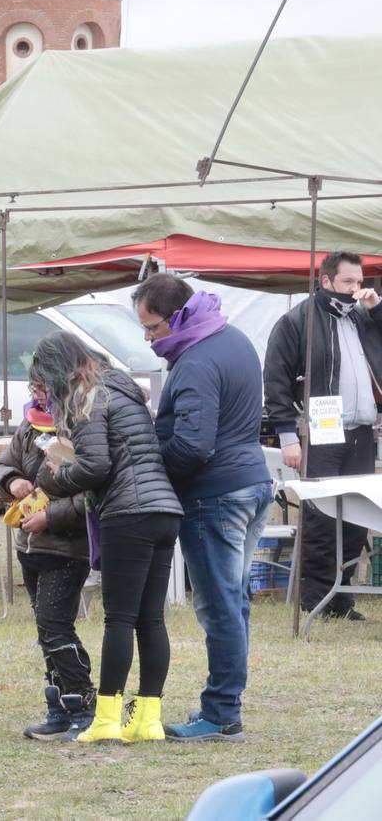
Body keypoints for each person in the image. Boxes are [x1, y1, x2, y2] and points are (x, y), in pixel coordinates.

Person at [134, 274, 271, 743]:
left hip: (215, 495)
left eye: (151, 329)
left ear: (175, 318)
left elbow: (193, 446)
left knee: (219, 606)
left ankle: (221, 712)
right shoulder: (234, 340)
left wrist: (151, 474)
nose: (149, 339)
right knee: (234, 602)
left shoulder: (194, 362)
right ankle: (227, 704)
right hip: (251, 483)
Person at [31, 331, 182, 745]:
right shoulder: (123, 389)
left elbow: (96, 465)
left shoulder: (88, 396)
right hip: (164, 510)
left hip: (128, 513)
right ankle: (148, 718)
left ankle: (107, 718)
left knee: (119, 618)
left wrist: (55, 478)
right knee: (150, 619)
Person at [264, 251, 382, 621]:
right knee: (320, 517)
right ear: (327, 281)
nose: (356, 289)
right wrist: (288, 436)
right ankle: (315, 597)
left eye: (360, 282)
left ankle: (342, 597)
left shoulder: (363, 317)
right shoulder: (298, 320)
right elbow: (276, 380)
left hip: (362, 431)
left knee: (355, 516)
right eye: (348, 282)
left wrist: (376, 309)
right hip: (321, 431)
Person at [0, 384, 93, 740]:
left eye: (42, 386)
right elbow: (0, 465)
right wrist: (12, 480)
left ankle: (84, 705)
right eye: (32, 386)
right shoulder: (29, 425)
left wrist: (51, 518)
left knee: (55, 627)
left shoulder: (83, 424)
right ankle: (59, 709)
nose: (36, 393)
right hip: (30, 546)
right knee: (46, 631)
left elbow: (91, 494)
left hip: (66, 548)